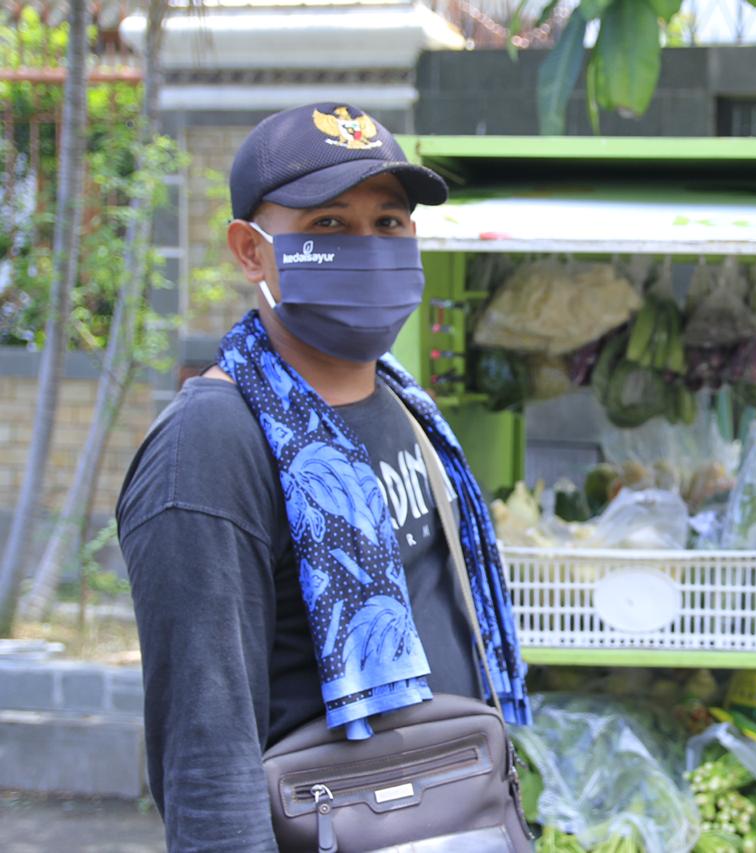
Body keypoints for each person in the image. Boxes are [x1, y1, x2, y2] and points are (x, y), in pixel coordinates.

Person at [116, 103, 529, 851]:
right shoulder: (211, 445)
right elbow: (207, 764)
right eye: (330, 225)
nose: (368, 247)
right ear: (251, 251)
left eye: (390, 222)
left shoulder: (404, 404)